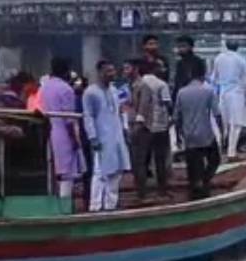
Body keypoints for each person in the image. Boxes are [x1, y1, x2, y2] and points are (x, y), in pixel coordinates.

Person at [83, 60, 131, 212]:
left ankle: (111, 205)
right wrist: (92, 137)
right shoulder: (90, 92)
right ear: (100, 73)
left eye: (113, 71)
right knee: (100, 173)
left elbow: (120, 111)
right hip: (101, 137)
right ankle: (95, 206)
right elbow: (88, 116)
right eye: (108, 71)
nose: (112, 74)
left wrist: (125, 129)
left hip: (116, 136)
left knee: (116, 171)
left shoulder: (114, 90)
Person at [174, 57, 221, 199]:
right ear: (203, 74)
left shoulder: (182, 92)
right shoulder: (208, 91)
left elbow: (177, 117)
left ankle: (194, 188)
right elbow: (217, 114)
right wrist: (223, 133)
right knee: (214, 160)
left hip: (189, 135)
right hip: (205, 133)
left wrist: (178, 135)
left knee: (193, 165)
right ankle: (205, 181)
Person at [40, 58, 85, 200]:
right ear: (66, 71)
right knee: (67, 173)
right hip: (64, 134)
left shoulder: (44, 87)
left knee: (55, 170)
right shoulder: (66, 89)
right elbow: (69, 120)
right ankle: (65, 205)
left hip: (50, 131)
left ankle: (55, 201)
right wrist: (75, 140)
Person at [130, 59, 172, 201]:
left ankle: (142, 193)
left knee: (142, 161)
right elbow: (167, 104)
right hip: (159, 126)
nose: (163, 69)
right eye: (160, 67)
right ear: (154, 69)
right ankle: (162, 191)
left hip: (142, 126)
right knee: (160, 160)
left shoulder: (137, 84)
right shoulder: (161, 84)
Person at [210, 40, 246, 160]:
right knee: (236, 124)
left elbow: (213, 78)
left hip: (223, 93)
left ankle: (222, 150)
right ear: (237, 47)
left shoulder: (219, 58)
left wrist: (212, 95)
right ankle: (231, 152)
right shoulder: (240, 59)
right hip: (236, 94)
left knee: (225, 124)